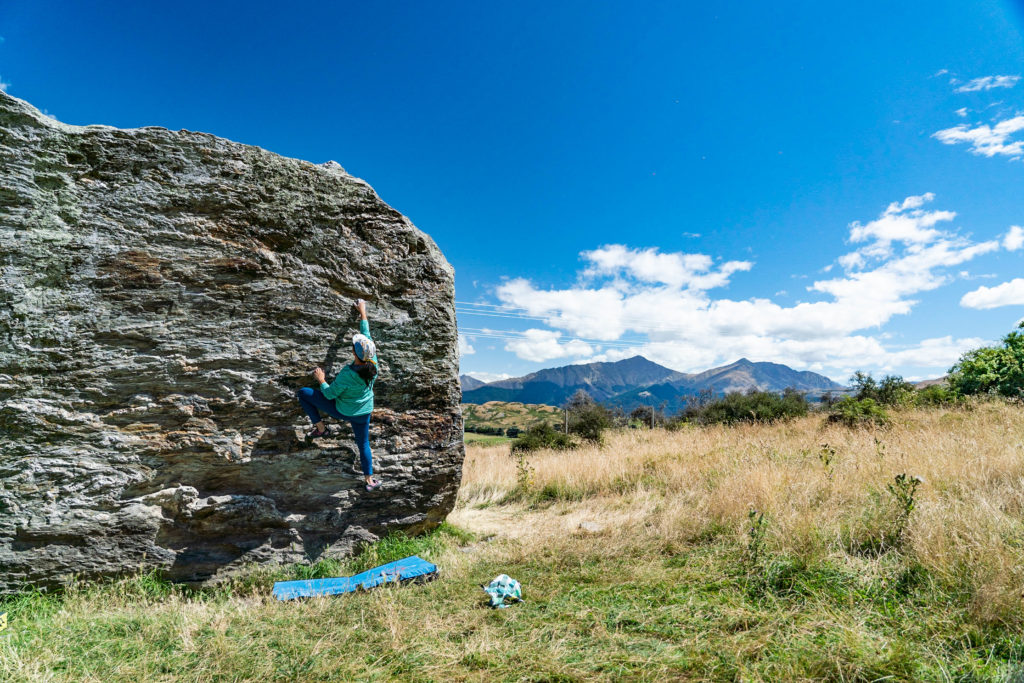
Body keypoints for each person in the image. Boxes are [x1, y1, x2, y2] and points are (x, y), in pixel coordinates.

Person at [296, 299, 381, 491]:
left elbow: (329, 394)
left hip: (344, 411)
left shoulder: (348, 374)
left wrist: (321, 379)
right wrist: (362, 312)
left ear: (355, 353)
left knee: (304, 393)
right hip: (364, 412)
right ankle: (369, 480)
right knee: (363, 443)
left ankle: (321, 428)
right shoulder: (373, 363)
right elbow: (366, 336)